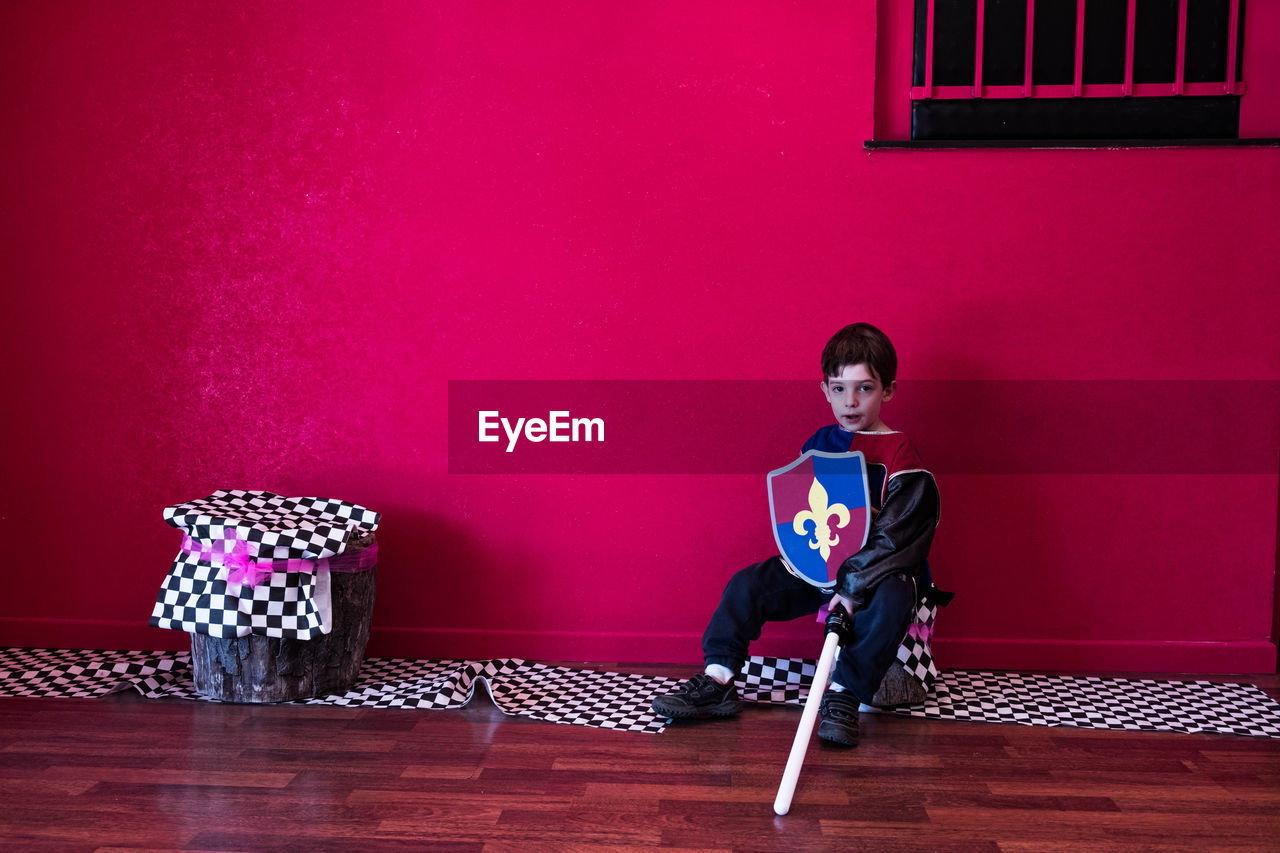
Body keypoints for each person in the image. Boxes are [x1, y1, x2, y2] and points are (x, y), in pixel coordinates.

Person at [651, 323, 940, 747]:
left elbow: (901, 535)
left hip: (876, 579)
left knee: (897, 593)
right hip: (821, 566)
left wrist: (854, 585)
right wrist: (800, 560)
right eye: (839, 389)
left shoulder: (901, 454)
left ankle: (843, 695)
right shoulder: (819, 444)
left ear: (889, 391)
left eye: (864, 388)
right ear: (824, 389)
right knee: (750, 584)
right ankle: (719, 679)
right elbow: (803, 514)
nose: (851, 401)